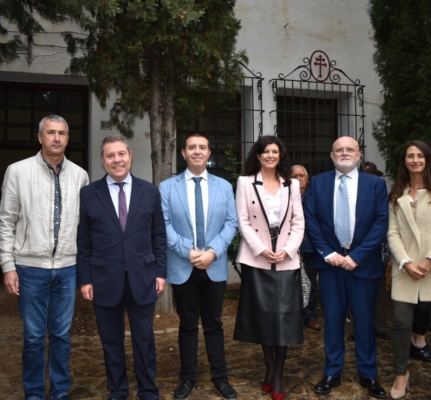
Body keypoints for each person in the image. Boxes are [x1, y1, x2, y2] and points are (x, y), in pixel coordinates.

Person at [0, 115, 89, 400]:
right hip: (29, 267)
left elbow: (85, 228)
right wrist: (7, 264)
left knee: (62, 335)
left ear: (68, 138)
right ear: (40, 137)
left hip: (67, 267)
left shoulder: (80, 175)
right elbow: (6, 220)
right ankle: (34, 393)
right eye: (51, 133)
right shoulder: (17, 171)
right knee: (34, 337)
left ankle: (60, 391)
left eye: (62, 133)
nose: (57, 138)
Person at [77, 134, 167, 400]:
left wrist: (160, 272)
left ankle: (148, 391)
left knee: (144, 341)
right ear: (103, 161)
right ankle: (117, 391)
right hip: (104, 279)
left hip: (143, 278)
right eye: (110, 155)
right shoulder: (88, 194)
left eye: (121, 154)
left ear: (130, 155)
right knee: (111, 342)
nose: (117, 160)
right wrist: (85, 279)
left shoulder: (149, 191)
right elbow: (83, 240)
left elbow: (158, 236)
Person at [305, 136, 389, 398]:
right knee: (332, 321)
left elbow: (381, 223)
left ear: (359, 154)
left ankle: (368, 374)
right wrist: (329, 253)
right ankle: (332, 371)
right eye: (339, 150)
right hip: (330, 266)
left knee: (364, 322)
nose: (344, 153)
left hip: (362, 266)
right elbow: (311, 222)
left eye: (349, 149)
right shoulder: (318, 183)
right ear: (331, 155)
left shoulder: (375, 184)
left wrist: (358, 256)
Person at [159, 132, 238, 400]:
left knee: (214, 324)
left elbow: (231, 223)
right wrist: (188, 251)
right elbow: (164, 225)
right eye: (191, 147)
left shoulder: (224, 187)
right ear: (183, 153)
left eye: (202, 147)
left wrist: (213, 252)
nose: (196, 151)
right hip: (183, 266)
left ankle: (221, 378)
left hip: (213, 266)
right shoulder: (167, 187)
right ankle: (187, 378)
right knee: (188, 324)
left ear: (208, 153)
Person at [233, 136, 304, 400]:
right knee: (264, 316)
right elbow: (243, 221)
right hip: (257, 258)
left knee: (283, 317)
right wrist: (261, 250)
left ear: (280, 155)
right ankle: (270, 370)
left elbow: (298, 222)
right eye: (266, 152)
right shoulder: (245, 182)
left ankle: (277, 375)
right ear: (259, 156)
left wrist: (288, 250)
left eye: (275, 152)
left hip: (286, 258)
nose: (271, 156)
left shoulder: (292, 184)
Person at [387, 140, 431, 400]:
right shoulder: (397, 194)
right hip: (406, 270)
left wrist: (430, 260)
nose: (415, 160)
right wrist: (405, 262)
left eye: (420, 155)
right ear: (404, 161)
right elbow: (392, 233)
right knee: (402, 323)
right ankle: (401, 374)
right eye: (409, 156)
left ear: (427, 159)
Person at [347, 161, 390, 341]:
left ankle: (379, 326)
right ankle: (356, 329)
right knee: (354, 291)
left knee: (379, 293)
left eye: (373, 174)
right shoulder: (350, 194)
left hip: (378, 250)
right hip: (354, 251)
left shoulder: (382, 193)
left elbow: (385, 223)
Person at [291, 164, 321, 331]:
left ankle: (310, 316)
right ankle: (293, 316)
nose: (298, 179)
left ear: (307, 178)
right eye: (294, 176)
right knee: (290, 283)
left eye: (301, 175)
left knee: (309, 282)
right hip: (288, 248)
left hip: (309, 247)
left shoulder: (314, 196)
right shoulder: (285, 196)